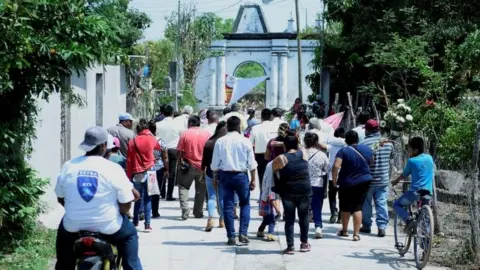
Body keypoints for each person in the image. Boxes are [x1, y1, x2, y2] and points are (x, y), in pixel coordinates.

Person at [55, 126, 142, 270]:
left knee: (63, 259)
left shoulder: (68, 166)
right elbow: (126, 204)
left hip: (73, 227)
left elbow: (60, 198)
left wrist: (78, 209)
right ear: (103, 146)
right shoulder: (113, 168)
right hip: (108, 227)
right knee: (130, 236)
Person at [211, 116, 257, 246]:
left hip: (225, 176)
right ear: (239, 127)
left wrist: (215, 178)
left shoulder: (220, 141)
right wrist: (253, 179)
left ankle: (231, 236)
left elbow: (215, 164)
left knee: (228, 205)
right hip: (241, 176)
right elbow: (252, 164)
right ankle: (243, 233)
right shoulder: (245, 141)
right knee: (245, 204)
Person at [272, 131, 312, 254]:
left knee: (289, 219)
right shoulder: (304, 153)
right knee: (304, 217)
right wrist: (292, 140)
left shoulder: (279, 159)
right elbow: (300, 146)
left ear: (285, 146)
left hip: (288, 191)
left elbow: (276, 176)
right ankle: (304, 243)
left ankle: (290, 247)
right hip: (304, 190)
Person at [332, 130, 373, 241]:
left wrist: (334, 181)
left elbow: (336, 166)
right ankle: (356, 234)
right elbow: (371, 162)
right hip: (364, 181)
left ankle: (344, 231)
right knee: (358, 207)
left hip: (346, 183)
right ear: (358, 139)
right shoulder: (368, 150)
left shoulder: (343, 151)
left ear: (346, 140)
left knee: (345, 207)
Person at [126, 119, 162, 232]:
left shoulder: (133, 141)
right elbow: (158, 149)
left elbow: (129, 160)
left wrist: (128, 175)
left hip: (137, 172)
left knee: (137, 198)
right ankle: (147, 225)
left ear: (137, 129)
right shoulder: (152, 139)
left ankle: (135, 221)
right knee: (148, 199)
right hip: (150, 171)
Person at [360, 120, 395, 237]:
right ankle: (382, 227)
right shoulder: (389, 143)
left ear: (368, 130)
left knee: (366, 204)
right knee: (381, 202)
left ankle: (366, 226)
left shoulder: (364, 143)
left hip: (368, 179)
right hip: (383, 179)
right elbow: (391, 157)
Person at [392, 137, 434, 233]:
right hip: (428, 192)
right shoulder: (430, 158)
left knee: (397, 204)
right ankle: (426, 242)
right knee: (425, 216)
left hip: (415, 192)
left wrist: (395, 181)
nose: (409, 151)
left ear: (416, 150)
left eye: (410, 149)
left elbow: (404, 175)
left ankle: (409, 220)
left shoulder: (412, 161)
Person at [177, 115, 211, 220]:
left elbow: (179, 150)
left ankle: (185, 209)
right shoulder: (207, 134)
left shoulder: (185, 134)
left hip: (188, 165)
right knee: (200, 190)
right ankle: (198, 212)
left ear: (190, 123)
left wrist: (179, 163)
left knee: (183, 187)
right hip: (202, 166)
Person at [201, 121, 228, 231]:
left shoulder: (210, 142)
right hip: (224, 173)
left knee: (211, 197)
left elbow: (204, 161)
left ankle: (211, 218)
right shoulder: (227, 143)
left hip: (210, 173)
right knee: (222, 197)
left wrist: (202, 171)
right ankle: (222, 220)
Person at [304, 132, 330, 239]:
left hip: (304, 183)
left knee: (303, 208)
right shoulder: (322, 155)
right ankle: (318, 227)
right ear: (316, 142)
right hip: (317, 184)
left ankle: (303, 228)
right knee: (316, 207)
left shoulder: (302, 153)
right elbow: (327, 170)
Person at [155, 105, 180, 201]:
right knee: (172, 173)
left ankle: (162, 192)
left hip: (160, 149)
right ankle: (169, 194)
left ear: (162, 113)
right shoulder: (177, 124)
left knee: (161, 170)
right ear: (172, 112)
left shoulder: (158, 124)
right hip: (173, 149)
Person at [249, 108, 276, 191]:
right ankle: (273, 195)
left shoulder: (255, 128)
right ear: (271, 116)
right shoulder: (276, 127)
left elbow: (250, 143)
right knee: (274, 175)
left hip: (261, 156)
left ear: (261, 117)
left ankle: (263, 194)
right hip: (274, 154)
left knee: (262, 176)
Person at [148, 120, 169, 219]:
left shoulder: (143, 140)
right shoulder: (160, 140)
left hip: (147, 167)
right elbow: (165, 157)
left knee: (147, 190)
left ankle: (144, 210)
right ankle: (155, 211)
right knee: (155, 191)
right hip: (158, 167)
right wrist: (166, 169)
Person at [326, 127, 346, 224]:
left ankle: (333, 212)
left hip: (332, 174)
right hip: (343, 174)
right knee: (342, 196)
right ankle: (341, 217)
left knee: (332, 195)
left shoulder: (330, 144)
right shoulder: (346, 145)